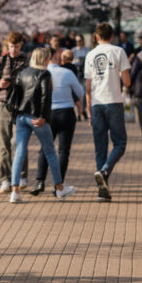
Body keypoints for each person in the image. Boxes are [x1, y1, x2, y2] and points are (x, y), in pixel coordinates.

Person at [7, 48, 75, 202]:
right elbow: (46, 95)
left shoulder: (22, 73)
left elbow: (14, 95)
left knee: (19, 151)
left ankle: (15, 191)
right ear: (44, 59)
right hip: (37, 117)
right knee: (50, 151)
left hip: (21, 116)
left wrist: (15, 115)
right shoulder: (44, 74)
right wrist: (43, 116)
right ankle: (59, 188)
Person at [85, 22, 131, 202]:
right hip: (114, 101)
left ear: (96, 37)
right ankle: (104, 171)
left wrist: (88, 111)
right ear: (112, 36)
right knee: (120, 143)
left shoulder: (90, 55)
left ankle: (101, 190)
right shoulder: (118, 51)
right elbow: (127, 82)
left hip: (96, 103)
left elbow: (88, 87)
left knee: (100, 147)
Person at [33, 45, 85, 195]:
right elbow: (80, 92)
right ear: (57, 58)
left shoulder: (41, 74)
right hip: (66, 112)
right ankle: (59, 184)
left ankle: (40, 181)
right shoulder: (67, 73)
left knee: (45, 147)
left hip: (48, 113)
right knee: (63, 150)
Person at [0, 31, 30, 192]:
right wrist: (0, 84)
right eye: (11, 46)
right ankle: (5, 179)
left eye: (16, 46)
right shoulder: (1, 61)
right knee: (3, 144)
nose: (13, 49)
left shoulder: (26, 62)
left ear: (21, 45)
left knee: (19, 143)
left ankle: (22, 176)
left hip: (20, 105)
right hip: (3, 104)